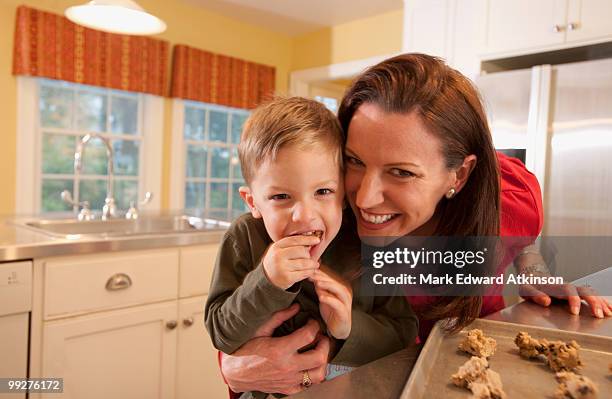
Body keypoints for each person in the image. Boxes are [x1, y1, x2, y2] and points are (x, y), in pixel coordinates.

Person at [219, 54, 612, 396]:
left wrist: (534, 272)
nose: (364, 198)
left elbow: (524, 237)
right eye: (354, 161)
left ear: (458, 176)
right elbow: (258, 298)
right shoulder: (327, 217)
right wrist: (232, 366)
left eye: (402, 172)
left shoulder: (510, 197)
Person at [204, 97, 418, 398]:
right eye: (280, 197)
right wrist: (266, 281)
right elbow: (221, 332)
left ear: (343, 194)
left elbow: (404, 334)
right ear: (253, 202)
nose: (304, 215)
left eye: (323, 192)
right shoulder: (244, 238)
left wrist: (348, 328)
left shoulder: (367, 243)